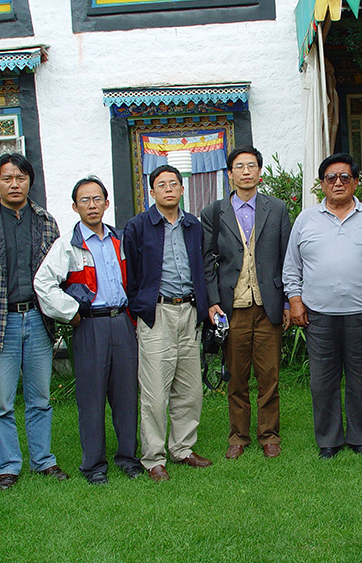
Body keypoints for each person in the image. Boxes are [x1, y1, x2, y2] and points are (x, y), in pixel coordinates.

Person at [0, 153, 69, 490]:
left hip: (37, 319)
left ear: (29, 181)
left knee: (40, 399)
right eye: (7, 178)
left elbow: (57, 272)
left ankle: (43, 460)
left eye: (20, 178)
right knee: (2, 403)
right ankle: (8, 466)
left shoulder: (46, 222)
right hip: (0, 323)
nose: (14, 184)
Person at [34, 176, 144, 485]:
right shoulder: (67, 246)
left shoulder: (120, 240)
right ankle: (94, 466)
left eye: (97, 199)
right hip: (89, 325)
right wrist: (70, 312)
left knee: (126, 396)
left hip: (122, 322)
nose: (92, 205)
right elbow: (43, 283)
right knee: (91, 399)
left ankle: (128, 458)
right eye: (85, 200)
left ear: (107, 204)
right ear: (75, 206)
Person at [283, 153, 362, 458]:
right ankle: (328, 440)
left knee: (361, 380)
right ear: (322, 184)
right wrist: (295, 301)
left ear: (356, 182)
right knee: (322, 382)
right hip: (319, 315)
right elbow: (291, 266)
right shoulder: (306, 219)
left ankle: (360, 437)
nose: (338, 183)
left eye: (345, 177)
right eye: (331, 178)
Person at [202, 146, 291, 460]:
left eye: (251, 166)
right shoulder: (214, 212)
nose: (245, 172)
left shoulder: (276, 208)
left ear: (259, 172)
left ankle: (269, 435)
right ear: (230, 174)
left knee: (269, 377)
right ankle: (238, 436)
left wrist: (287, 301)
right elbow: (207, 261)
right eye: (239, 166)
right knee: (237, 378)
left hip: (268, 306)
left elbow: (286, 257)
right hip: (232, 308)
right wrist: (213, 301)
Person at [123, 164, 212, 482]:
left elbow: (201, 267)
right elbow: (132, 276)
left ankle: (183, 448)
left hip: (189, 312)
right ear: (152, 192)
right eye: (162, 185)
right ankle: (153, 457)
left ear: (182, 189)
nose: (169, 189)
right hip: (157, 314)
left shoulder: (192, 225)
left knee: (190, 389)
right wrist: (142, 308)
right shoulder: (138, 226)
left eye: (174, 183)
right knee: (155, 392)